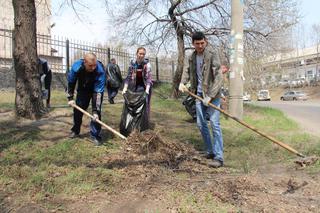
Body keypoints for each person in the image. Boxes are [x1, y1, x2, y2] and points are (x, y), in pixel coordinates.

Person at [179, 32, 224, 168]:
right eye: (197, 44)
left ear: (206, 42)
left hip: (213, 95)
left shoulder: (212, 54)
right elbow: (186, 71)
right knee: (201, 124)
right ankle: (209, 151)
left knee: (215, 124)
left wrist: (210, 95)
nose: (200, 46)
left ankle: (219, 157)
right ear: (193, 44)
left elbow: (218, 76)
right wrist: (182, 82)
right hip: (198, 94)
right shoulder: (191, 56)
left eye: (202, 43)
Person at [67, 53, 106, 146]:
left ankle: (95, 135)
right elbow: (71, 82)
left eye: (94, 65)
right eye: (90, 65)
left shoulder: (100, 70)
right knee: (78, 109)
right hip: (83, 89)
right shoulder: (77, 67)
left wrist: (95, 110)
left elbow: (99, 92)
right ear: (84, 62)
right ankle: (75, 130)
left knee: (96, 114)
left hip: (96, 90)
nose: (93, 68)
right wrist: (70, 97)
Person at [122, 47, 152, 118]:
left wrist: (147, 89)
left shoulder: (147, 65)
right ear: (136, 54)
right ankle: (134, 121)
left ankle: (144, 123)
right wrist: (125, 87)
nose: (141, 55)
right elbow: (128, 77)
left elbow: (149, 78)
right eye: (140, 53)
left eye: (143, 54)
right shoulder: (132, 64)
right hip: (134, 87)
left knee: (145, 104)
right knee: (133, 104)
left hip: (144, 87)